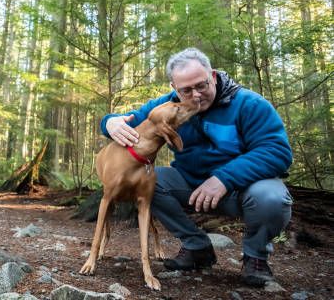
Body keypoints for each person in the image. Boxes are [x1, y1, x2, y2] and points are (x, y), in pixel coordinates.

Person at [101, 47, 292, 287]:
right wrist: (110, 123)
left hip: (242, 190)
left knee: (272, 197)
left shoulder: (249, 104)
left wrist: (224, 178)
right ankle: (196, 246)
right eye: (186, 90)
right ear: (174, 88)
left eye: (202, 85)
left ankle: (256, 256)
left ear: (213, 76)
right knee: (152, 179)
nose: (196, 95)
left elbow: (277, 151)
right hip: (190, 185)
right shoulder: (167, 107)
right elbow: (130, 120)